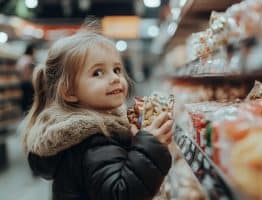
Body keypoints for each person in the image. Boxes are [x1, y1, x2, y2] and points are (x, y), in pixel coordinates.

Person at [21, 28, 173, 200]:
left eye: (116, 69)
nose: (115, 78)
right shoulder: (94, 139)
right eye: (97, 73)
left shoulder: (84, 132)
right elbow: (120, 193)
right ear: (69, 92)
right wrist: (149, 147)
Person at [16, 43, 36, 112]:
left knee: (24, 97)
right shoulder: (29, 59)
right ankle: (28, 111)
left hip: (22, 81)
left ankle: (23, 110)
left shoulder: (22, 58)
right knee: (28, 98)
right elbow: (28, 70)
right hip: (27, 81)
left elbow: (18, 70)